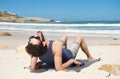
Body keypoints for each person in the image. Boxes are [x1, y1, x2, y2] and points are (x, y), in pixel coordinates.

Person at [25, 31, 94, 71]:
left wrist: (40, 63)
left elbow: (33, 68)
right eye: (36, 37)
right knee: (80, 38)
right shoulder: (56, 46)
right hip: (69, 55)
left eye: (31, 38)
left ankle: (63, 51)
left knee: (64, 36)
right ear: (43, 43)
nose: (35, 35)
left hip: (57, 52)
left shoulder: (35, 51)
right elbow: (59, 68)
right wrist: (71, 61)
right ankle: (89, 56)